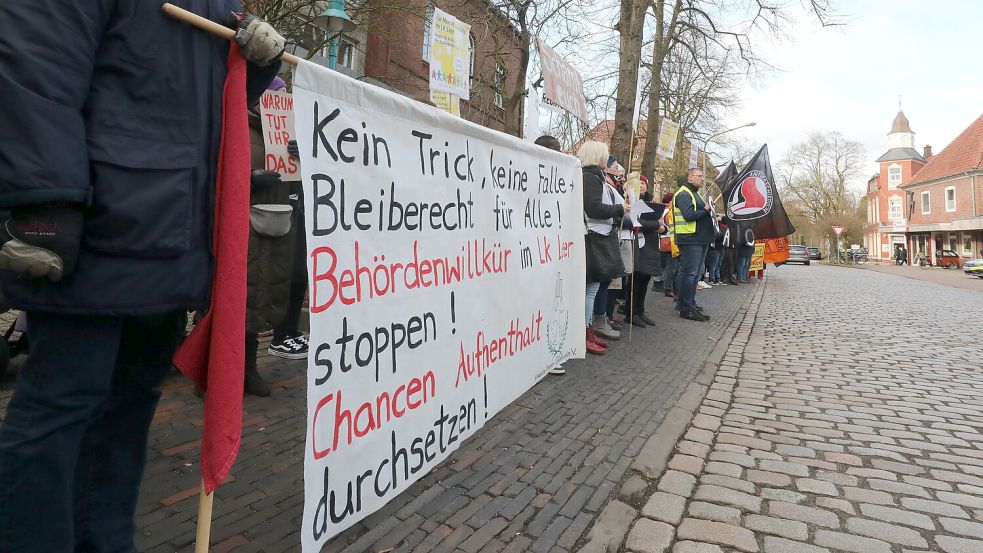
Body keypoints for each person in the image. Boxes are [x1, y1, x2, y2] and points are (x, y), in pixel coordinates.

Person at [0, 3, 284, 551]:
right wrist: (45, 201)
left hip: (163, 228)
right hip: (100, 226)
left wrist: (250, 70)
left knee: (124, 416)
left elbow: (195, 108)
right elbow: (34, 60)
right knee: (61, 412)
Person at [581, 142, 629, 357]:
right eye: (605, 155)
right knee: (590, 290)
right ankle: (584, 333)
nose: (607, 158)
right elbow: (593, 208)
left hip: (599, 235)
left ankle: (588, 330)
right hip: (594, 237)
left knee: (593, 289)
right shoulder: (590, 177)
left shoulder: (593, 177)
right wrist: (620, 208)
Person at [673, 168, 716, 321]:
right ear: (690, 177)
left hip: (699, 239)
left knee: (696, 274)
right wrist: (706, 210)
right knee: (690, 274)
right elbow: (689, 215)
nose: (702, 179)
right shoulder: (684, 194)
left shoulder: (695, 193)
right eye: (699, 176)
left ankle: (689, 303)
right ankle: (686, 308)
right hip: (690, 239)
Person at [625, 177, 664, 327]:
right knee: (636, 280)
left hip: (650, 244)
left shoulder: (651, 202)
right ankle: (631, 312)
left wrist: (662, 227)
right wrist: (655, 225)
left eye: (644, 183)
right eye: (638, 182)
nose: (641, 185)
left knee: (645, 279)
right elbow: (634, 221)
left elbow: (661, 223)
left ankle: (640, 311)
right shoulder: (630, 200)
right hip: (637, 243)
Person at [658, 192, 679, 297]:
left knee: (670, 266)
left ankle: (669, 286)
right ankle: (668, 287)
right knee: (672, 266)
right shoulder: (669, 211)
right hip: (670, 241)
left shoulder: (664, 210)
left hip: (665, 240)